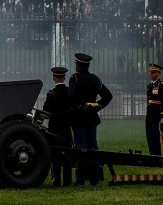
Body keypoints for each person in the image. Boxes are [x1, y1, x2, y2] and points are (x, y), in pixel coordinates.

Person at [68, 53, 112, 185]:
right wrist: (97, 106)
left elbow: (71, 96)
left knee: (80, 147)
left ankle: (81, 178)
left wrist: (80, 105)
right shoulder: (95, 79)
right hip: (92, 117)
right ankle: (94, 177)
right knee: (93, 146)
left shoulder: (74, 78)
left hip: (79, 117)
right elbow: (108, 96)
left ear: (78, 65)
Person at [41, 66, 73, 187]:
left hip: (55, 127)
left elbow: (46, 110)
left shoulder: (52, 93)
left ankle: (56, 180)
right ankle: (68, 180)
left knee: (55, 154)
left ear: (54, 77)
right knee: (68, 152)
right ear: (64, 77)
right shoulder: (69, 91)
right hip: (67, 126)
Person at [145, 62, 163, 156]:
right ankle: (153, 154)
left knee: (157, 135)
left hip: (158, 114)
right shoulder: (150, 86)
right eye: (150, 72)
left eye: (153, 72)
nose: (150, 74)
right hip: (150, 114)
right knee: (150, 135)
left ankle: (161, 155)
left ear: (158, 73)